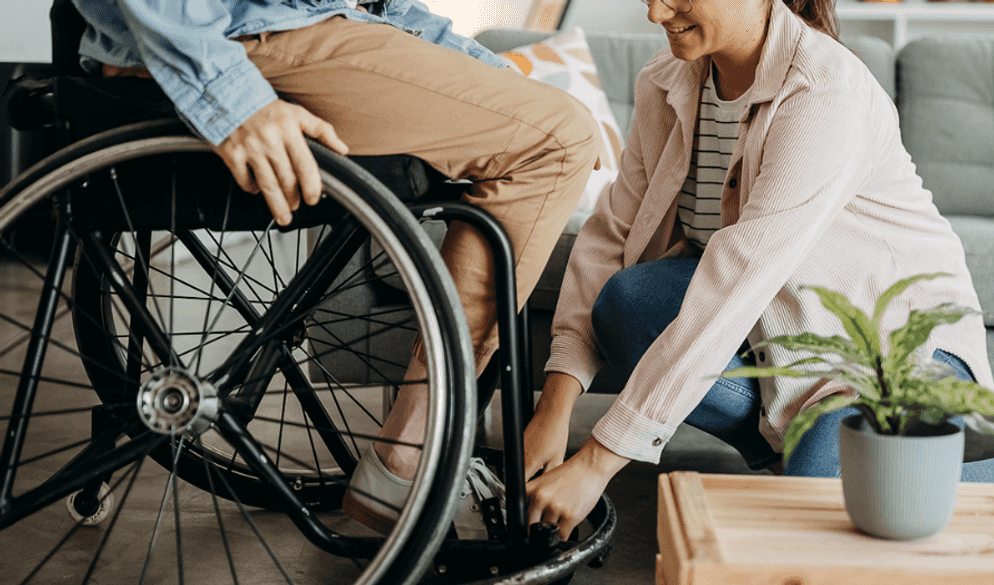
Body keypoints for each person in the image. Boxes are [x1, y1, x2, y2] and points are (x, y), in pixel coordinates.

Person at [522, 0, 994, 541]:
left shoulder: (823, 91)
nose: (657, 13)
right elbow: (611, 236)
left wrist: (598, 461)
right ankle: (810, 458)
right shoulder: (668, 82)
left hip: (887, 353)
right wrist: (552, 416)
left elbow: (736, 279)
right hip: (779, 335)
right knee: (624, 302)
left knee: (834, 519)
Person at [76, 0, 603, 532]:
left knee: (551, 121)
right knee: (558, 140)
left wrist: (506, 84)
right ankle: (408, 457)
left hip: (278, 31)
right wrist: (230, 94)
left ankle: (421, 443)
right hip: (222, 37)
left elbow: (378, 7)